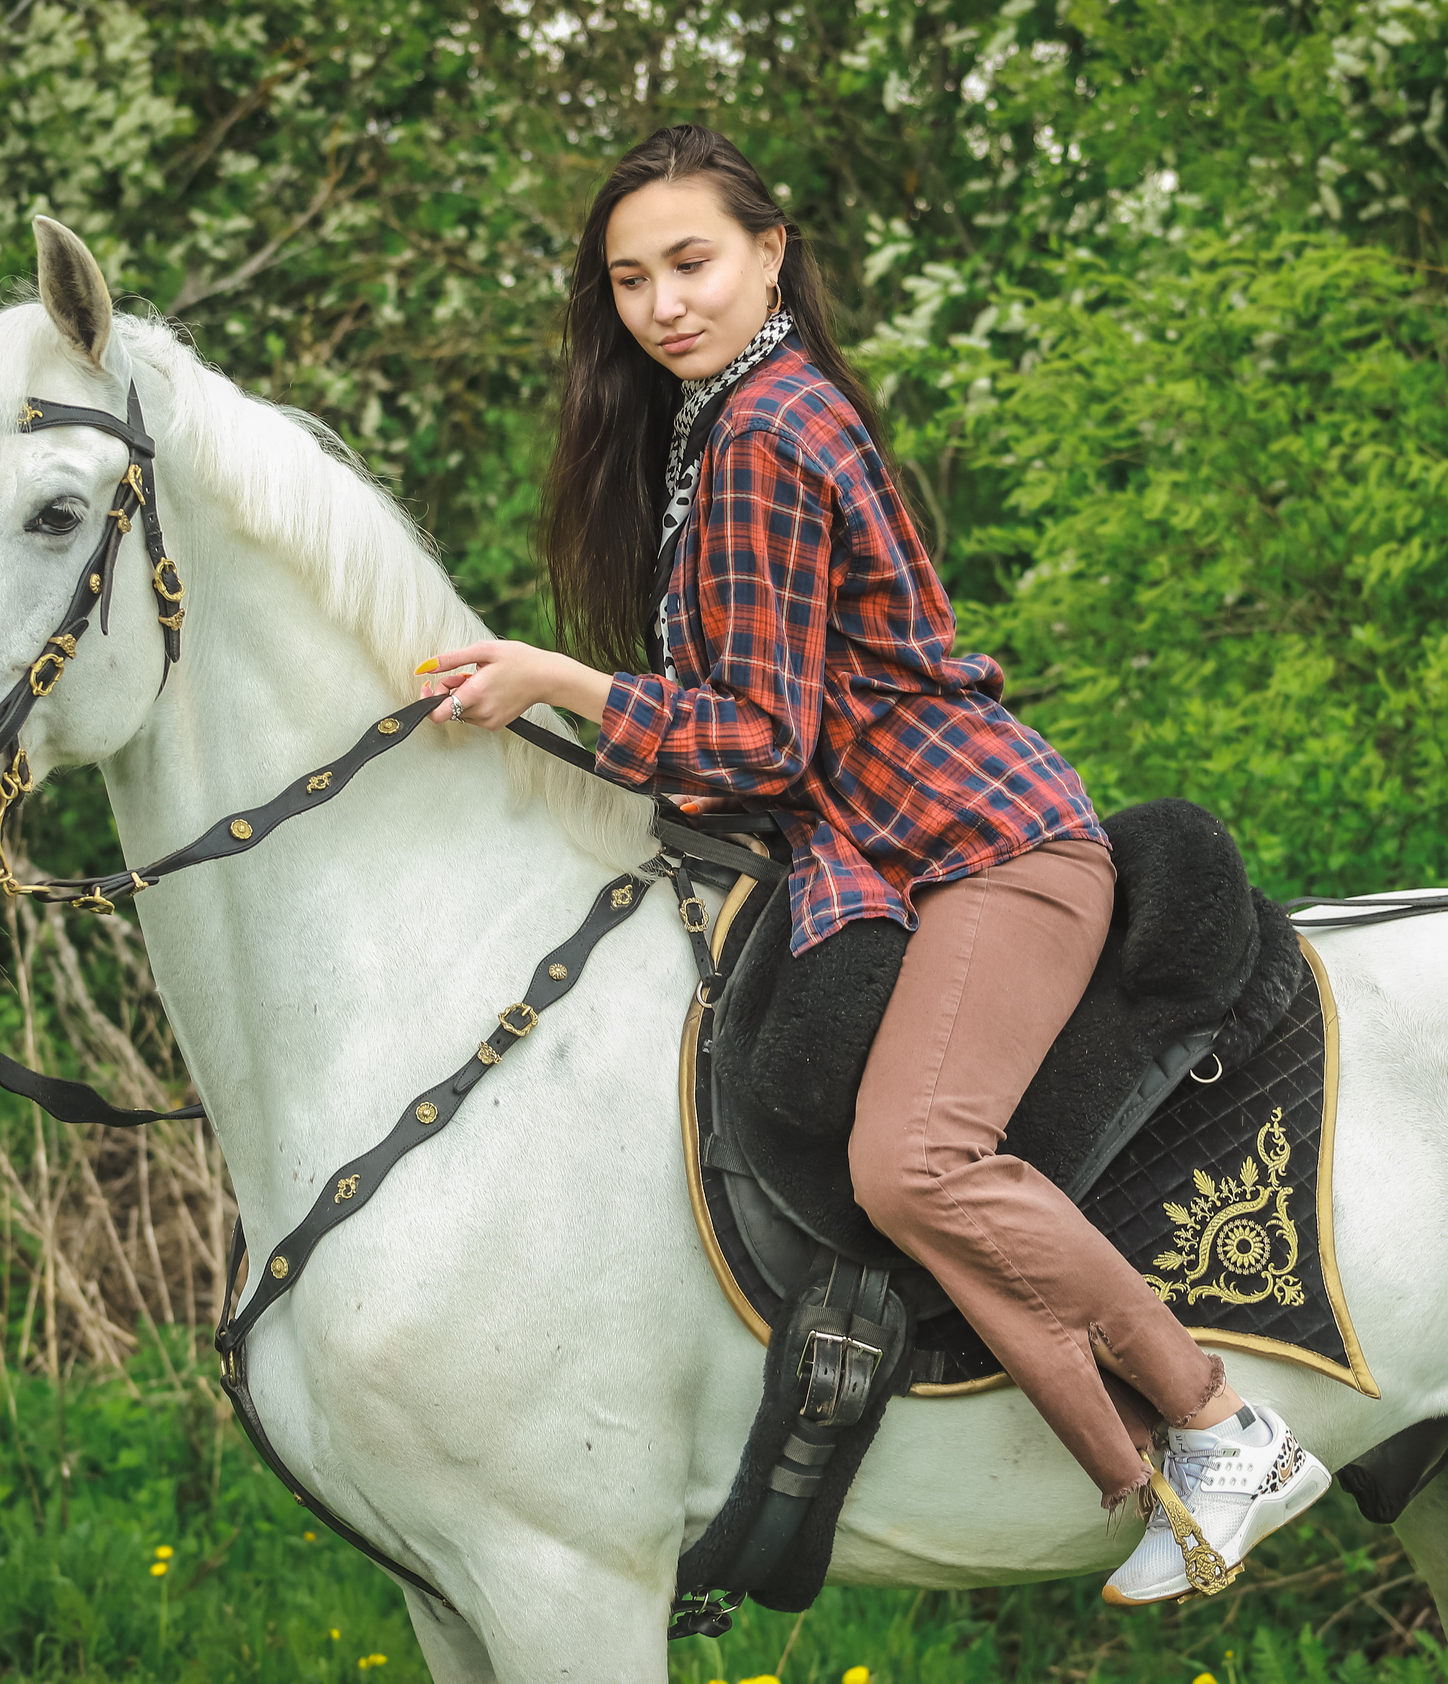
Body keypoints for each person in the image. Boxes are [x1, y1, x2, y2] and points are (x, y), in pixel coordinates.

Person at [413, 125, 1328, 1601]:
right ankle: (1146, 1474)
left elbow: (763, 739)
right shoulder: (728, 426)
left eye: (691, 261)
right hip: (903, 854)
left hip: (990, 846)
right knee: (902, 1175)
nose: (661, 304)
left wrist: (556, 682)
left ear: (771, 252)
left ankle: (1225, 1421)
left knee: (915, 1162)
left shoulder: (766, 435)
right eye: (630, 280)